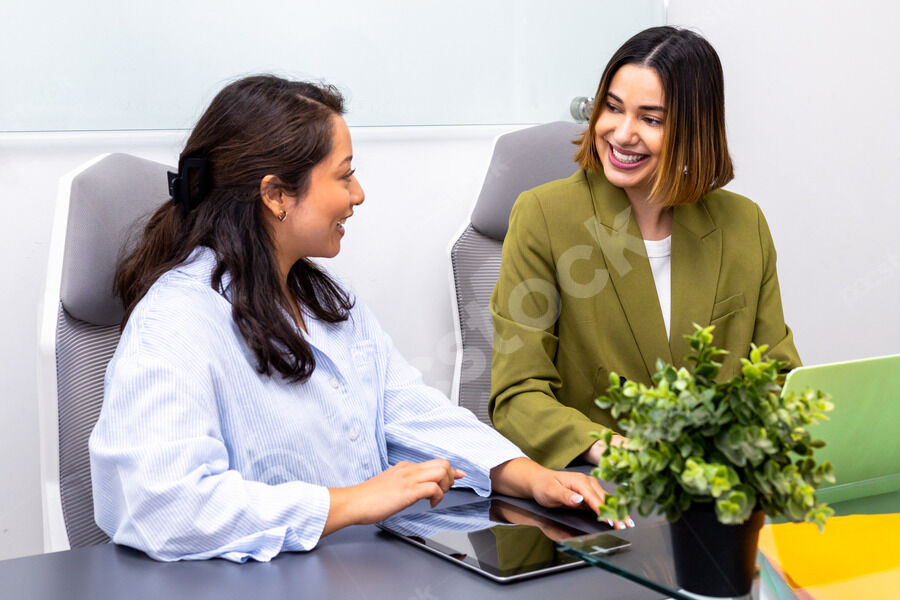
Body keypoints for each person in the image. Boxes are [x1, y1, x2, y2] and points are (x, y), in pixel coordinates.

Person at [89, 75, 616, 563]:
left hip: (349, 568)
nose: (357, 195)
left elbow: (406, 408)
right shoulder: (176, 321)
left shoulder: (322, 297)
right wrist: (351, 502)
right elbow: (162, 505)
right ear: (276, 195)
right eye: (344, 176)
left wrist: (525, 475)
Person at [489, 27, 801, 471]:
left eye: (651, 120)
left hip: (717, 484)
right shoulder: (544, 215)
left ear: (695, 130)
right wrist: (614, 450)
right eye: (613, 108)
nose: (622, 134)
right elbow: (517, 395)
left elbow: (777, 378)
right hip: (598, 483)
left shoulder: (743, 224)